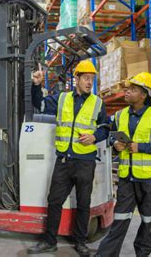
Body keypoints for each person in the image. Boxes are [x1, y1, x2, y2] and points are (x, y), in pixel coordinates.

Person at [27, 60, 110, 256]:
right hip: (64, 160)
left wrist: (95, 137)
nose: (90, 82)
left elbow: (106, 127)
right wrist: (36, 85)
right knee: (54, 201)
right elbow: (39, 104)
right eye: (86, 78)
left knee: (83, 203)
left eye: (92, 79)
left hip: (85, 162)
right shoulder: (62, 99)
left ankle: (80, 242)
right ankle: (49, 241)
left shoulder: (97, 103)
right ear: (77, 79)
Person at [95, 72, 151, 257]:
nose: (127, 92)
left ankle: (143, 253)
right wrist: (115, 144)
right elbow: (109, 137)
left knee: (148, 221)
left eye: (133, 89)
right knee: (120, 219)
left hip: (149, 179)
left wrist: (142, 147)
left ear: (144, 94)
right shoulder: (119, 116)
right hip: (126, 178)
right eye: (127, 89)